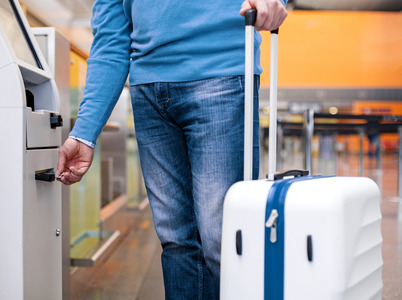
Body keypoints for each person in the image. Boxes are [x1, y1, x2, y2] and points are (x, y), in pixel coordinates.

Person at [57, 0, 287, 298]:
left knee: (224, 239)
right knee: (176, 241)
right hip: (148, 91)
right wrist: (85, 133)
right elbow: (111, 38)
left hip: (220, 72)